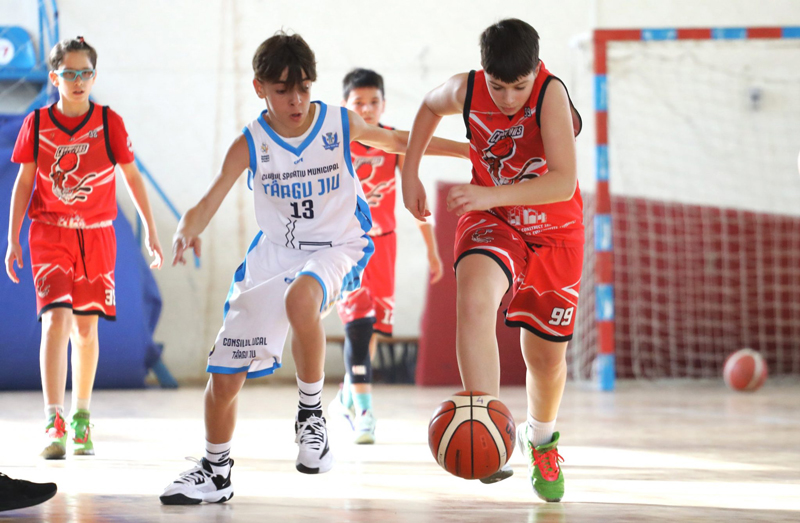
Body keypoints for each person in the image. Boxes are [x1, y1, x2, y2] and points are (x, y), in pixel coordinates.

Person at [160, 31, 467, 505]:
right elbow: (209, 198)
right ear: (260, 88)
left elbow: (399, 140)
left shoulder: (337, 123)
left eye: (304, 88)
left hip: (338, 245)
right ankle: (215, 471)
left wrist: (469, 151)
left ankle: (311, 417)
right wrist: (187, 229)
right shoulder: (251, 143)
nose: (297, 101)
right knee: (223, 377)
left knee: (300, 298)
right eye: (283, 90)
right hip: (275, 253)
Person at [400, 19, 583, 502]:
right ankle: (488, 430)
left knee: (546, 360)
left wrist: (489, 192)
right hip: (494, 219)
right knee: (475, 301)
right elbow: (427, 106)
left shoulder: (551, 95)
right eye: (498, 86)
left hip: (554, 232)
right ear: (485, 73)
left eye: (518, 86)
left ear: (536, 70)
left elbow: (562, 181)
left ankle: (540, 440)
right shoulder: (466, 90)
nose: (507, 97)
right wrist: (409, 173)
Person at [5, 37, 163, 460]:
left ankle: (81, 416)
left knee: (86, 329)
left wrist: (150, 229)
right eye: (69, 73)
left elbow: (132, 177)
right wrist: (13, 237)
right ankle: (52, 420)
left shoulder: (109, 123)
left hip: (96, 235)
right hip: (50, 233)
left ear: (94, 76)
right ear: (54, 77)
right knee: (55, 320)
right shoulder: (38, 123)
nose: (78, 80)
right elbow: (24, 181)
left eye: (85, 73)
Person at [328, 68, 444, 444]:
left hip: (385, 246)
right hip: (348, 248)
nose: (366, 108)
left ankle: (346, 396)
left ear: (383, 104)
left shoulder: (393, 142)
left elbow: (414, 199)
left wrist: (432, 250)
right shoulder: (334, 144)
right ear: (345, 105)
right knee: (358, 327)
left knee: (373, 331)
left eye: (373, 102)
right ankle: (365, 413)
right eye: (358, 102)